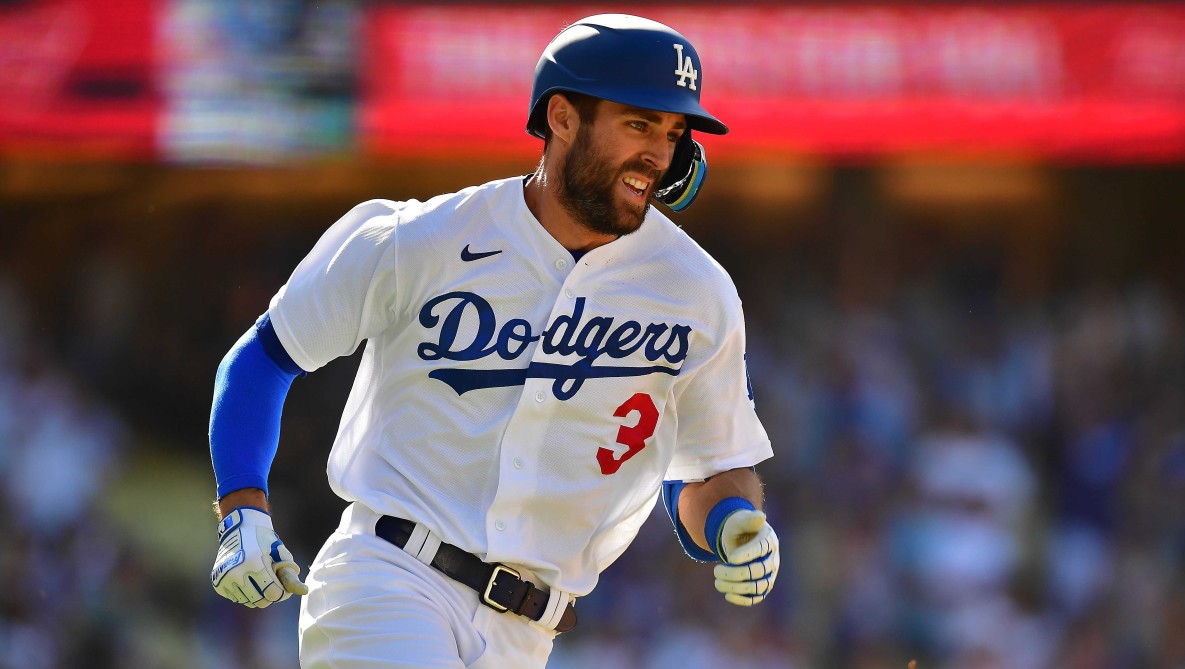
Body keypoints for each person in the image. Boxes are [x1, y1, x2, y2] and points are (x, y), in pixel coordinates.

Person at [207, 13, 779, 669]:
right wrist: (242, 507)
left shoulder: (695, 291)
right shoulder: (421, 239)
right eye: (639, 123)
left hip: (529, 634)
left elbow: (705, 467)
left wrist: (736, 521)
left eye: (675, 132)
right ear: (562, 117)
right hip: (389, 579)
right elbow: (264, 357)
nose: (660, 152)